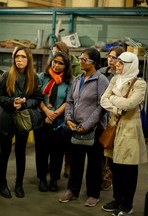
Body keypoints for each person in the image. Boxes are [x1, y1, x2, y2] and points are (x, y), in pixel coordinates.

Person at [58, 48, 109, 207]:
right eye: (80, 58)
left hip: (94, 129)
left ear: (94, 63)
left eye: (84, 59)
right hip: (75, 127)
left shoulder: (101, 81)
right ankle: (72, 190)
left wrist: (87, 125)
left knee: (94, 163)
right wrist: (68, 120)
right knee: (76, 161)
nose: (80, 62)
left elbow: (102, 107)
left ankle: (93, 194)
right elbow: (70, 102)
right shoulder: (77, 79)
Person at [100, 52, 147, 216]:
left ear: (129, 65)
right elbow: (103, 99)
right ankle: (117, 199)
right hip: (114, 126)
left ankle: (127, 204)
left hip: (129, 130)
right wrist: (117, 106)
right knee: (115, 166)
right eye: (117, 63)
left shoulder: (139, 84)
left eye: (120, 63)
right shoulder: (114, 79)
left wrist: (114, 100)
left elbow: (130, 104)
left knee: (128, 168)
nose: (116, 66)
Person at [0, 46, 42, 199]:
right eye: (17, 57)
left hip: (23, 121)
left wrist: (25, 103)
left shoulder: (34, 78)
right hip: (6, 120)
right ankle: (2, 185)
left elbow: (38, 99)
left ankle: (19, 185)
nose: (19, 60)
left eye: (23, 57)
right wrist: (11, 101)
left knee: (20, 153)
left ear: (28, 60)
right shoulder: (6, 76)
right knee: (4, 153)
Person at [34, 51, 73, 192]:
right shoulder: (42, 77)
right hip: (42, 119)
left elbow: (69, 101)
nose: (56, 65)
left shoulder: (69, 81)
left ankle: (54, 179)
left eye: (61, 63)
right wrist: (47, 112)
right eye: (55, 62)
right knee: (41, 152)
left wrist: (55, 114)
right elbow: (37, 97)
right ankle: (42, 178)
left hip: (59, 123)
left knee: (57, 153)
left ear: (66, 66)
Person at [51, 41, 82, 179]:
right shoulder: (53, 67)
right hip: (54, 112)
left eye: (56, 51)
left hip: (70, 111)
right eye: (53, 52)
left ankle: (67, 166)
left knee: (68, 144)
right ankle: (53, 167)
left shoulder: (75, 68)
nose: (54, 54)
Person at [99, 46, 125, 191]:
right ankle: (102, 173)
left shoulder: (122, 77)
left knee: (111, 147)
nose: (110, 59)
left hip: (114, 114)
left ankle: (108, 175)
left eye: (114, 57)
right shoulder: (102, 72)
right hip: (101, 113)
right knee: (102, 146)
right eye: (109, 56)